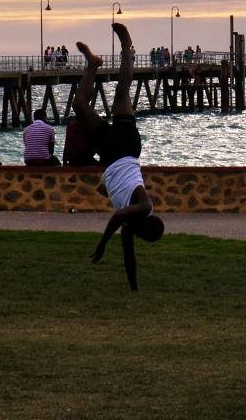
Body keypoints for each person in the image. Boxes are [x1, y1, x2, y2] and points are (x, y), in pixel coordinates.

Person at [78, 23, 164, 292]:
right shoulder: (143, 207)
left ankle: (92, 63)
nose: (132, 236)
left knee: (79, 105)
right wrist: (102, 244)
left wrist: (134, 288)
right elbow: (117, 216)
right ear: (143, 227)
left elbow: (129, 257)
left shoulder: (131, 225)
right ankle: (127, 46)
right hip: (125, 148)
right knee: (122, 91)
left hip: (110, 154)